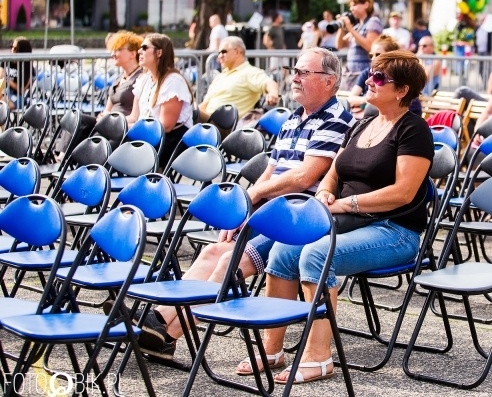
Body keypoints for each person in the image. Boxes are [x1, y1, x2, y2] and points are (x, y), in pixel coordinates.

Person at [137, 47, 354, 361]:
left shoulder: (335, 120)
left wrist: (252, 198)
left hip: (296, 218)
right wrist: (245, 210)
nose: (294, 77)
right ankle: (155, 320)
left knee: (229, 264)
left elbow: (304, 177)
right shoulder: (295, 118)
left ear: (329, 81)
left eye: (304, 72)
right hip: (270, 212)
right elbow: (271, 170)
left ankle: (168, 334)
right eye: (295, 70)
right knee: (214, 250)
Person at [254, 50, 433, 384]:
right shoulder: (363, 124)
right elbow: (333, 172)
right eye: (371, 74)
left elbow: (404, 193)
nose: (369, 80)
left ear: (402, 90)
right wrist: (324, 194)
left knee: (316, 254)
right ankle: (272, 349)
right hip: (352, 222)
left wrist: (343, 206)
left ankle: (319, 357)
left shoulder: (414, 130)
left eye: (380, 78)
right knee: (281, 251)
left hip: (394, 229)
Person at [128, 33, 194, 168]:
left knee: (117, 146)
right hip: (148, 136)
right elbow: (135, 116)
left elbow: (166, 126)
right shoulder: (144, 79)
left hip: (170, 140)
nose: (139, 51)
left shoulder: (173, 82)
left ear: (159, 53)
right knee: (106, 137)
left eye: (145, 47)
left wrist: (135, 131)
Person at [197, 36, 279, 123]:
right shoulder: (219, 77)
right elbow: (203, 106)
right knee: (189, 114)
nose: (220, 56)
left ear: (237, 52)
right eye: (219, 53)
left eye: (224, 52)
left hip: (226, 126)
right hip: (207, 125)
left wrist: (273, 93)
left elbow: (269, 83)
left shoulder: (249, 72)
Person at [336, 0, 383, 84]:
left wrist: (350, 28)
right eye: (350, 6)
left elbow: (370, 47)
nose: (351, 9)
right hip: (351, 75)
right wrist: (342, 27)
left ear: (366, 4)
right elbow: (339, 45)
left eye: (354, 5)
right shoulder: (357, 26)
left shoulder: (373, 22)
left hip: (364, 74)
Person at [98, 31, 143, 118]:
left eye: (117, 50)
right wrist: (104, 116)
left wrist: (108, 118)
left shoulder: (141, 78)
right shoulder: (119, 78)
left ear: (133, 54)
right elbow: (107, 109)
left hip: (123, 126)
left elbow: (135, 116)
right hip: (109, 123)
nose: (113, 54)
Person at [0, 37, 33, 110]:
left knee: (2, 107)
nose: (12, 50)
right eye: (11, 47)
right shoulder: (6, 61)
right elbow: (0, 76)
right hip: (3, 93)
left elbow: (21, 89)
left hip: (17, 96)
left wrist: (7, 80)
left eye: (15, 49)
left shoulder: (27, 66)